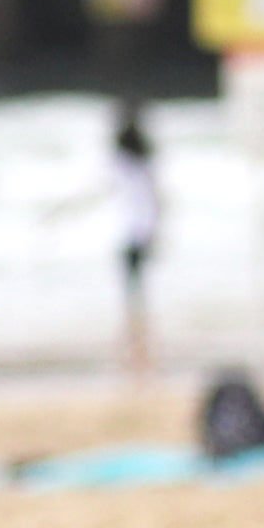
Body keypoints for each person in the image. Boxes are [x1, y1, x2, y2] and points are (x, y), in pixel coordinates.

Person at [103, 107, 162, 377]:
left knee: (130, 299)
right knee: (139, 297)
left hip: (128, 235)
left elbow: (98, 190)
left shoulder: (119, 163)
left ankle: (132, 357)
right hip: (144, 234)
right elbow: (158, 200)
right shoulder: (146, 162)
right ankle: (141, 356)